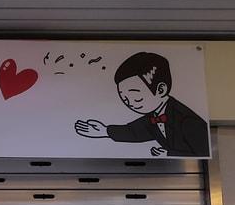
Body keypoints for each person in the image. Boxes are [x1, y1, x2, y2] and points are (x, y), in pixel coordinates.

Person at [73, 52, 209, 157]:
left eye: (135, 97)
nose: (130, 104)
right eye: (125, 99)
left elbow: (203, 150)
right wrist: (104, 131)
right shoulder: (154, 115)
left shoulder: (188, 121)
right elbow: (133, 132)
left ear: (161, 90)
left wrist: (169, 154)